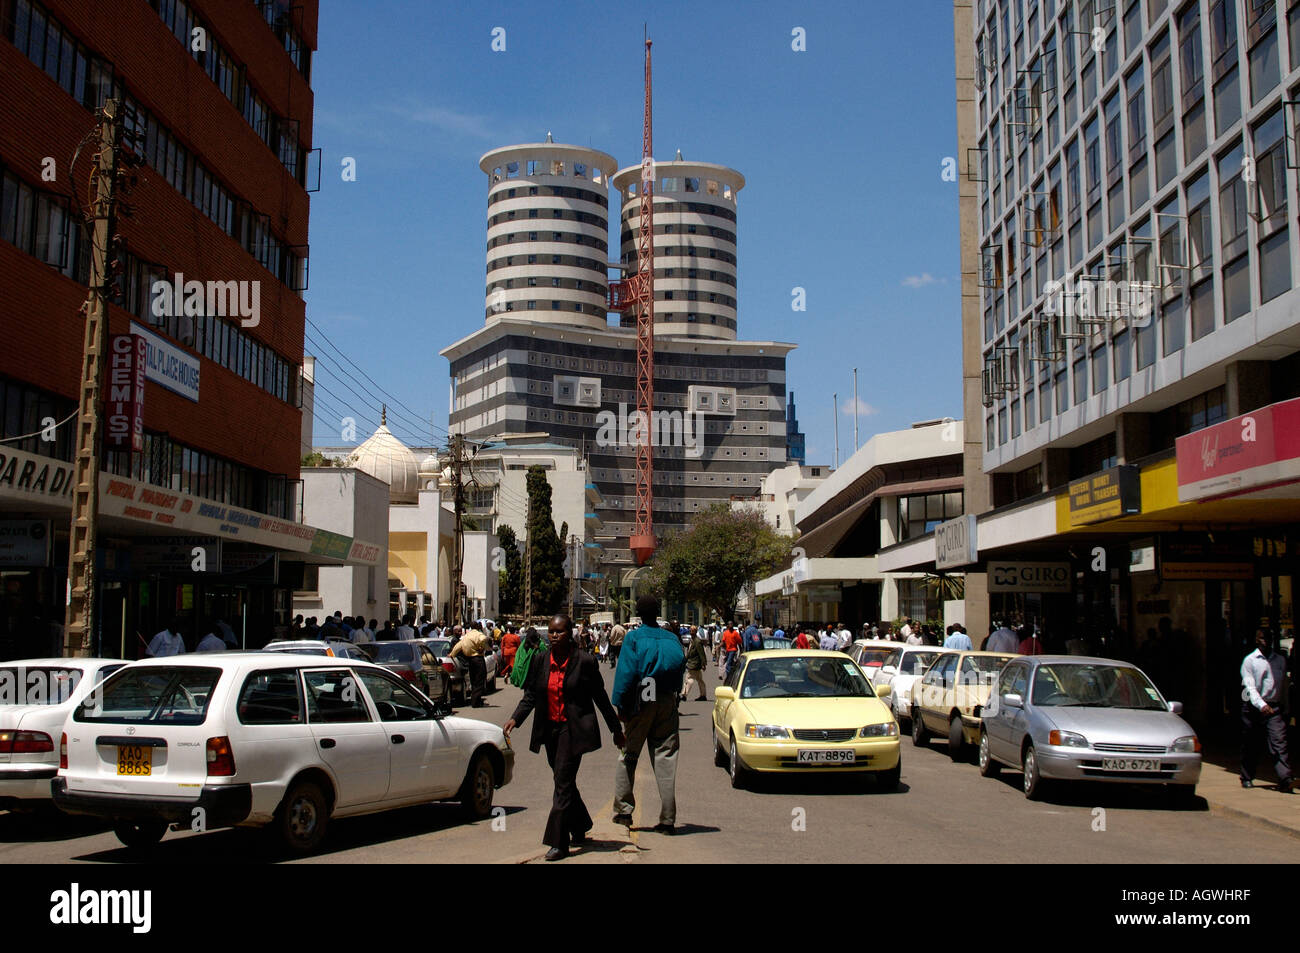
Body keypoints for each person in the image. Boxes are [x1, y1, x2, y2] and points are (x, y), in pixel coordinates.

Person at [503, 614, 624, 861]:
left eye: (559, 631)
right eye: (551, 631)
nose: (554, 635)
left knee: (563, 783)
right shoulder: (540, 660)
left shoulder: (585, 662)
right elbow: (532, 695)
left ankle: (558, 842)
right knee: (562, 778)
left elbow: (600, 698)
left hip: (573, 730)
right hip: (550, 731)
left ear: (571, 634)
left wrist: (615, 729)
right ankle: (580, 825)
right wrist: (516, 718)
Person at [611, 595, 685, 834]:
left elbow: (626, 673)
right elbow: (680, 666)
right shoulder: (672, 638)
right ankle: (668, 819)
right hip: (666, 698)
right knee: (666, 756)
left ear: (640, 614)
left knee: (629, 753)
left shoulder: (633, 637)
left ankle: (624, 811)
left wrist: (621, 705)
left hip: (643, 695)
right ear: (658, 613)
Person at [1240, 628, 1293, 792]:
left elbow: (1283, 685)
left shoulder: (1280, 660)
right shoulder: (1250, 661)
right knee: (1252, 743)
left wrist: (1286, 707)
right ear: (1257, 640)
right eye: (1262, 638)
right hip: (1254, 707)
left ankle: (1285, 778)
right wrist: (1262, 705)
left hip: (1274, 707)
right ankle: (1247, 776)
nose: (1266, 641)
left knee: (1279, 743)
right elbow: (1249, 688)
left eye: (1269, 638)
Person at [451, 625, 490, 707]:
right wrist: (486, 648)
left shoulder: (466, 637)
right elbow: (483, 639)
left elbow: (458, 646)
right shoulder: (479, 635)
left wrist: (452, 654)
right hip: (478, 659)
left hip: (470, 660)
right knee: (480, 680)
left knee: (473, 680)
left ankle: (475, 700)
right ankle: (476, 701)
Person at [681, 627, 709, 701]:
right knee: (700, 680)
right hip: (694, 663)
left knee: (689, 679)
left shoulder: (697, 641)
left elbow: (701, 653)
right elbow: (690, 652)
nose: (691, 632)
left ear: (696, 632)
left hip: (694, 664)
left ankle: (684, 694)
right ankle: (703, 695)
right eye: (690, 631)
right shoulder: (693, 640)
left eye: (693, 631)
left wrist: (703, 663)